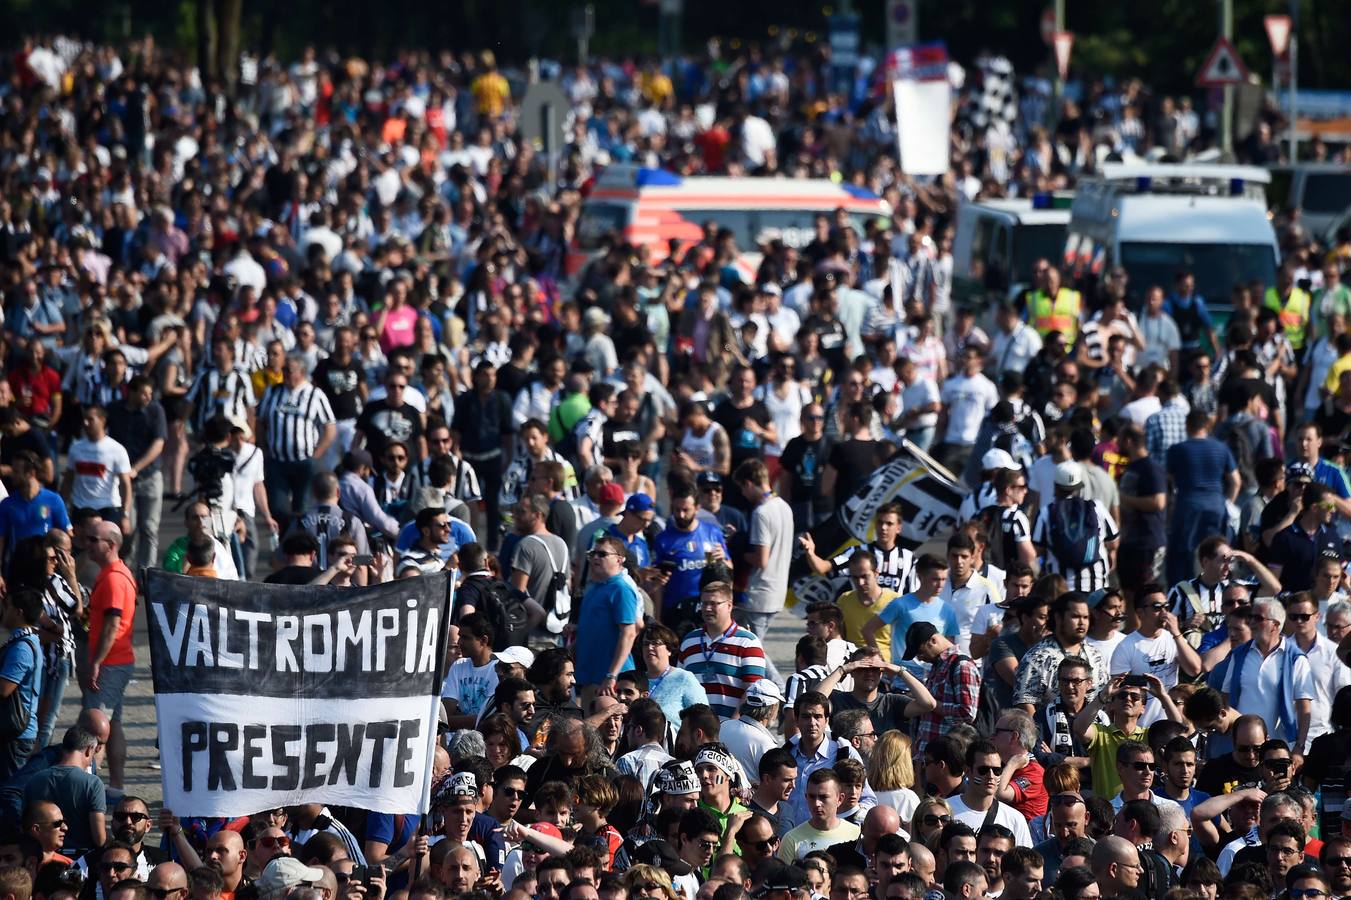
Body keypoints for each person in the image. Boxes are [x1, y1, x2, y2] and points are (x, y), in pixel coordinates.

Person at [82, 519, 135, 789]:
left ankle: (88, 787)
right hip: (117, 661)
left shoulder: (115, 578)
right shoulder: (114, 573)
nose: (87, 544)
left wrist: (97, 662)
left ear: (111, 545)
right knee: (112, 726)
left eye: (93, 540)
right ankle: (115, 786)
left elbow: (113, 625)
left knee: (95, 729)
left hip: (111, 663)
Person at [256, 356, 338, 526]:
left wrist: (315, 456)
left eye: (289, 371)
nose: (284, 374)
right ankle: (285, 543)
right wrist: (263, 448)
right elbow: (260, 421)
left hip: (305, 463)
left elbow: (330, 429)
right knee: (277, 507)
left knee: (303, 508)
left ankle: (301, 545)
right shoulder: (272, 391)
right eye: (284, 370)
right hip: (277, 462)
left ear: (302, 373)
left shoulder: (315, 395)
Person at [678, 582, 765, 720]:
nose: (707, 609)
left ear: (729, 605)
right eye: (704, 603)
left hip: (731, 729)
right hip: (696, 728)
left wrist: (731, 725)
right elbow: (680, 685)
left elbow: (754, 691)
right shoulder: (689, 640)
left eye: (714, 604)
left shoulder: (748, 642)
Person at [734, 459, 793, 658]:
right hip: (777, 589)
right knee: (747, 643)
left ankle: (777, 684)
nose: (742, 494)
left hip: (760, 592)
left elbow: (761, 559)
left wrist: (736, 547)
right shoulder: (784, 506)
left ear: (749, 483)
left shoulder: (761, 512)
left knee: (753, 650)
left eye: (742, 488)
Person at [575, 535, 639, 702]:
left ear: (619, 559)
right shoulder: (595, 588)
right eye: (593, 553)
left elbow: (629, 633)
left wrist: (612, 675)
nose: (595, 558)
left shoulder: (621, 588)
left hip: (611, 682)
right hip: (591, 678)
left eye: (602, 554)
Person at [903, 623, 980, 755]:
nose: (919, 658)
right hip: (927, 753)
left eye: (920, 652)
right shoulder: (937, 665)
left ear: (933, 640)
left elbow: (967, 713)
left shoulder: (962, 665)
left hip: (949, 756)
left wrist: (930, 704)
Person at [946, 740, 1033, 846]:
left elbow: (1024, 861)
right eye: (983, 770)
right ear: (968, 771)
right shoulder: (946, 811)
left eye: (997, 771)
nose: (991, 776)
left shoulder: (1015, 819)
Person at [0, 588, 43, 778]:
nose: (4, 612)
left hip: (16, 735)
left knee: (11, 794)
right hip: (17, 733)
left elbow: (4, 689)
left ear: (18, 612)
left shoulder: (22, 648)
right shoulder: (26, 640)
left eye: (8, 607)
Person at [779, 770, 860, 863]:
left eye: (823, 797)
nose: (817, 803)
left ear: (840, 799)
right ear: (806, 797)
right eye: (812, 797)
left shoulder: (855, 834)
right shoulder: (791, 839)